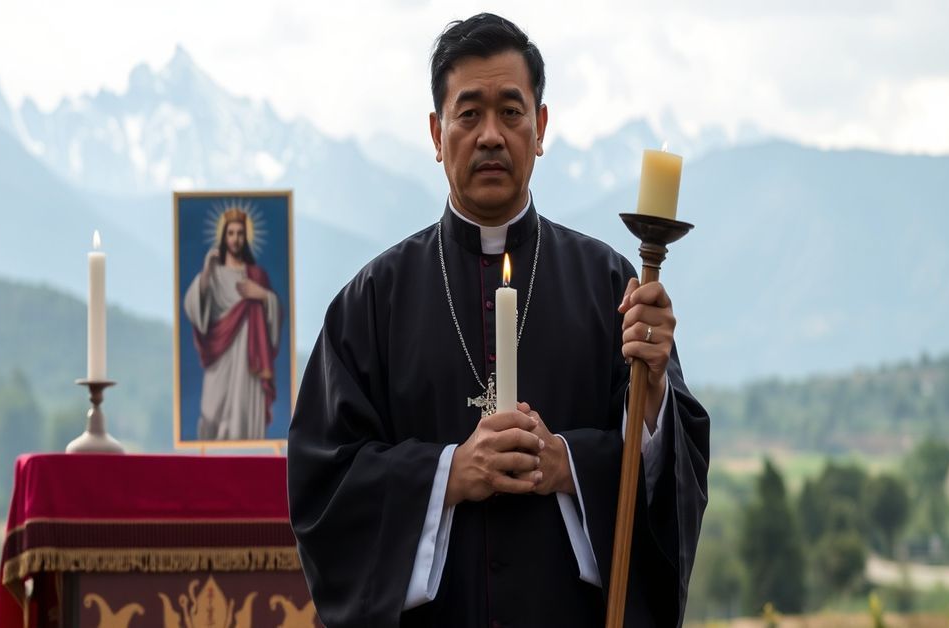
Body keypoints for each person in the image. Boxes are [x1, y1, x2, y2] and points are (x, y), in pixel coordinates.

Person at [287, 13, 710, 627]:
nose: (490, 135)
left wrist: (577, 458)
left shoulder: (615, 289)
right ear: (436, 134)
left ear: (539, 128)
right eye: (468, 114)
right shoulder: (372, 301)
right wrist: (448, 474)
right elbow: (322, 486)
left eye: (511, 112)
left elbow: (669, 477)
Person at [184, 207, 280, 440]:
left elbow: (275, 313)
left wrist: (263, 295)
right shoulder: (213, 275)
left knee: (244, 413)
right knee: (211, 412)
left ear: (245, 238)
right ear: (223, 237)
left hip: (250, 360)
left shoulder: (257, 276)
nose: (235, 239)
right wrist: (207, 271)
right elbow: (193, 307)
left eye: (240, 234)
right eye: (231, 233)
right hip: (220, 358)